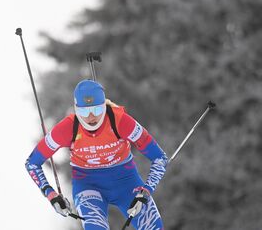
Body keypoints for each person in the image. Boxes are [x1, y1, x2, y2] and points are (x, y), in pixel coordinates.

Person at [25, 79, 169, 229]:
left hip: (127, 182)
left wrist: (146, 191)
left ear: (104, 107)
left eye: (97, 110)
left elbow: (159, 157)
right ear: (76, 109)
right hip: (88, 185)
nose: (91, 117)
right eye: (84, 111)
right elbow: (32, 163)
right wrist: (51, 195)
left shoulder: (121, 121)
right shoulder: (66, 129)